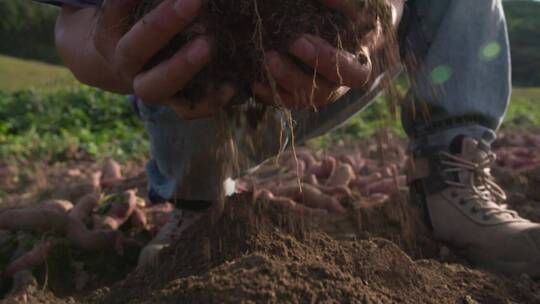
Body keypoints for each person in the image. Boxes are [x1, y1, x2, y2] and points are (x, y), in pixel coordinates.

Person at [38, 0, 540, 276]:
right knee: (176, 34)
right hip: (197, 91)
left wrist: (381, 11)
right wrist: (115, 54)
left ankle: (451, 181)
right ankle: (197, 205)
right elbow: (76, 19)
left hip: (355, 59)